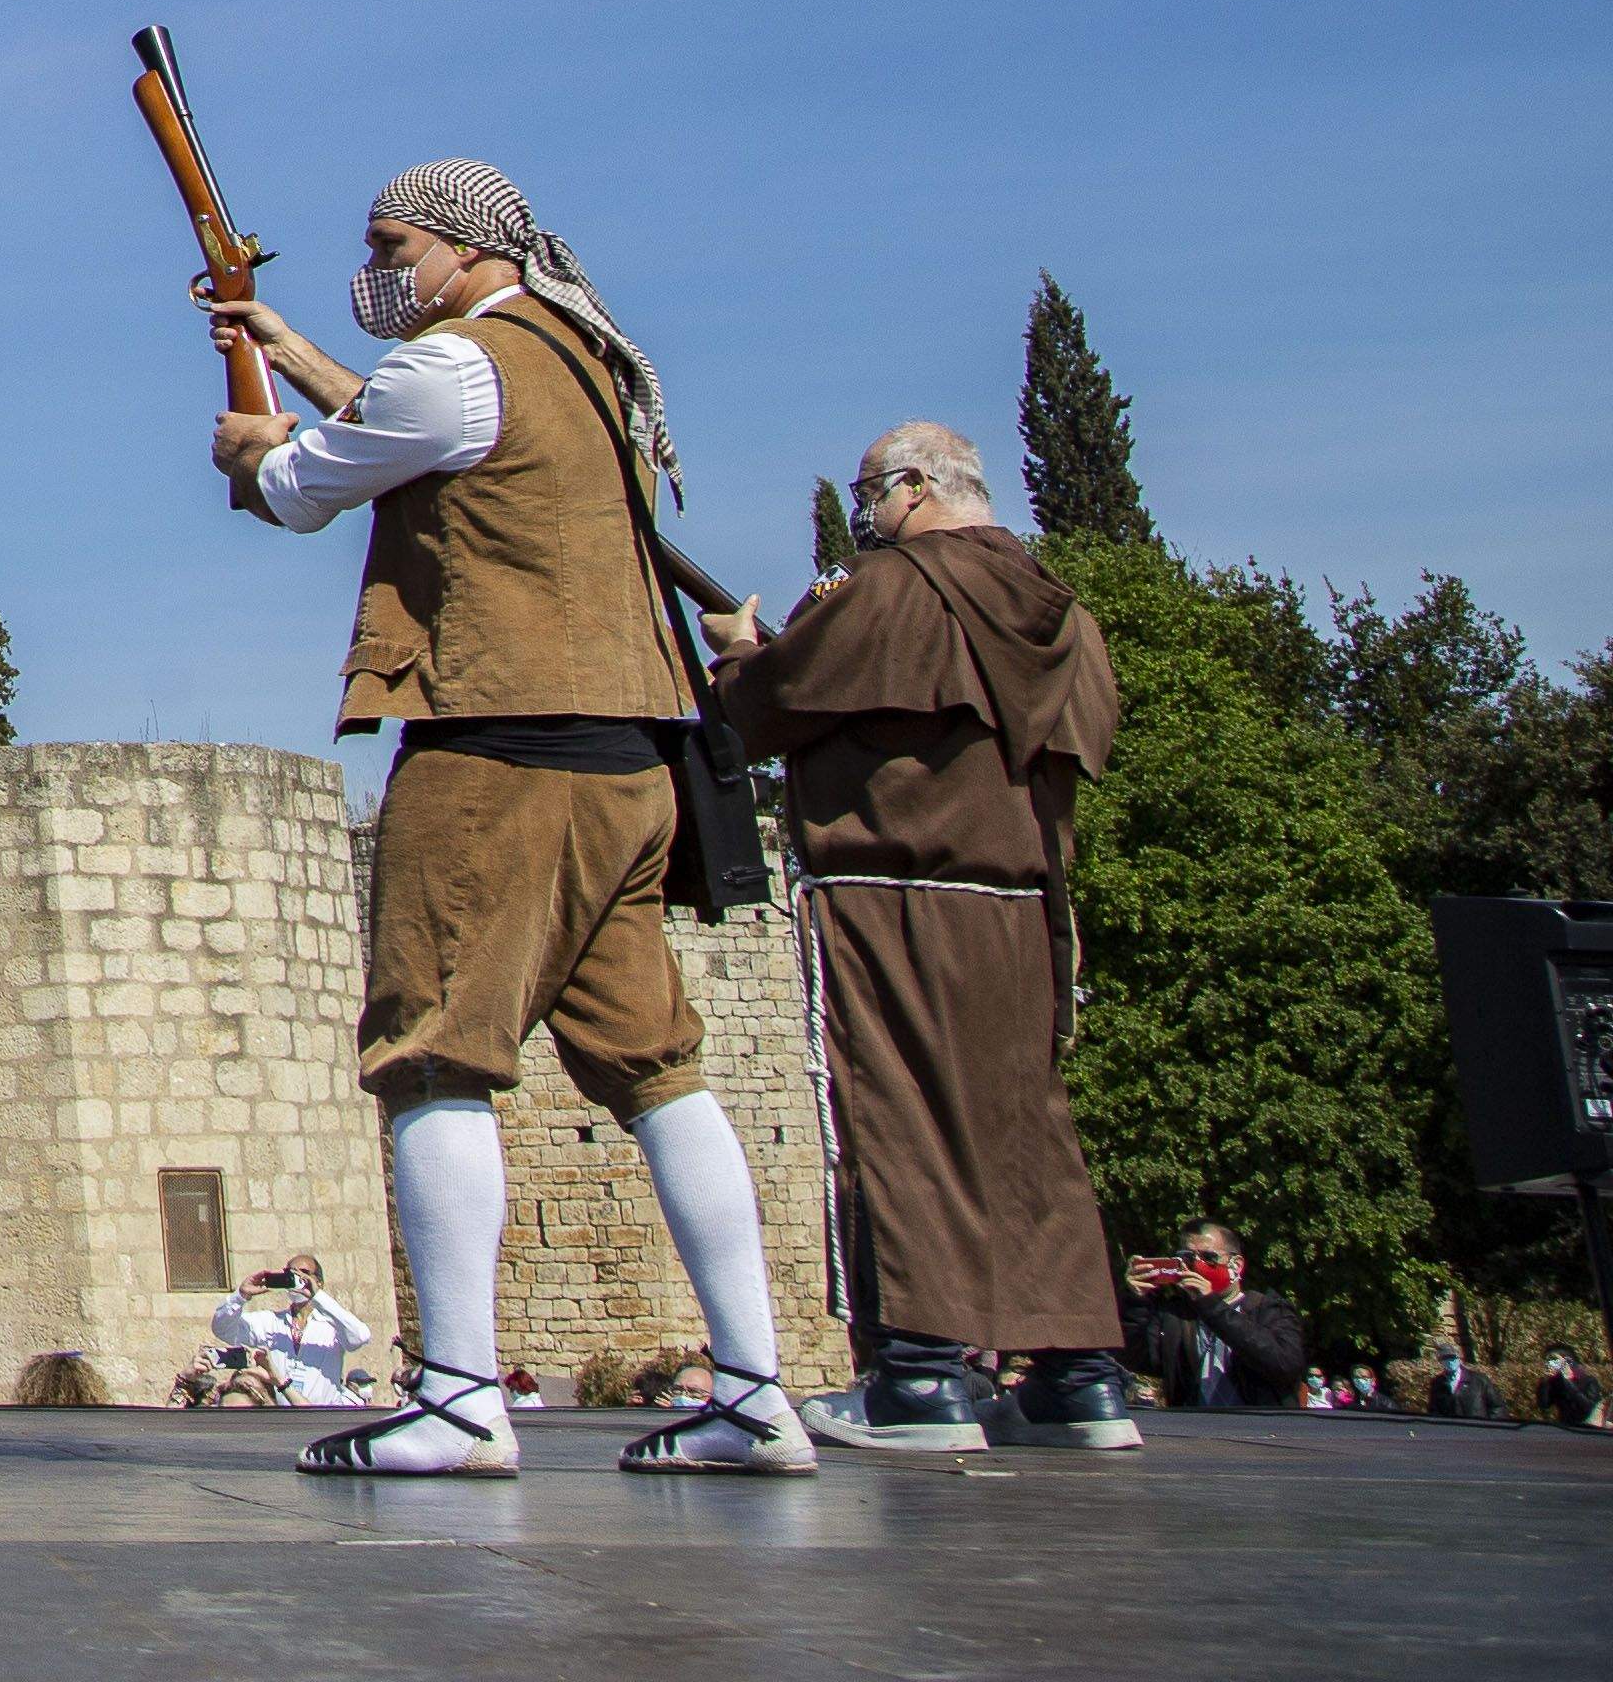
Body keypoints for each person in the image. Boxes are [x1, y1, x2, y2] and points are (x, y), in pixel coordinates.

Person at [209, 165, 810, 1479]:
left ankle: (461, 1398)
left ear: (465, 249)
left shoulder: (455, 366)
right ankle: (762, 1390)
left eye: (393, 246)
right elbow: (399, 416)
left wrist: (250, 441)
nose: (380, 270)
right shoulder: (573, 360)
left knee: (430, 1050)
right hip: (629, 757)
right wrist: (288, 346)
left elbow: (309, 486)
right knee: (658, 1069)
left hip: (498, 743)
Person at [707, 422, 1145, 1456]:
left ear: (913, 486)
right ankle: (1081, 1380)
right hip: (1028, 906)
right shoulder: (1063, 612)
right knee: (1031, 1133)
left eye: (871, 488)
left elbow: (772, 707)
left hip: (891, 888)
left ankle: (918, 1378)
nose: (863, 507)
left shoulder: (888, 587)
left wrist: (738, 660)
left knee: (898, 1116)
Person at [1123, 1222, 1308, 1410]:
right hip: (1199, 1432)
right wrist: (1136, 1301)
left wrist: (1212, 1306)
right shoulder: (1177, 1315)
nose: (1197, 1265)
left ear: (1236, 1265)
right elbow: (1137, 1358)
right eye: (1187, 1258)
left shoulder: (1268, 1308)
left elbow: (1286, 1365)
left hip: (1263, 1431)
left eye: (1208, 1257)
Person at [211, 1256, 376, 1407]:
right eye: (291, 1274)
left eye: (304, 1273)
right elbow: (223, 1330)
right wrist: (240, 1296)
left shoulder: (332, 1324)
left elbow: (360, 1337)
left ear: (319, 1282)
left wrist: (317, 1297)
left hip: (325, 1417)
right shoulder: (271, 1322)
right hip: (285, 1419)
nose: (299, 1278)